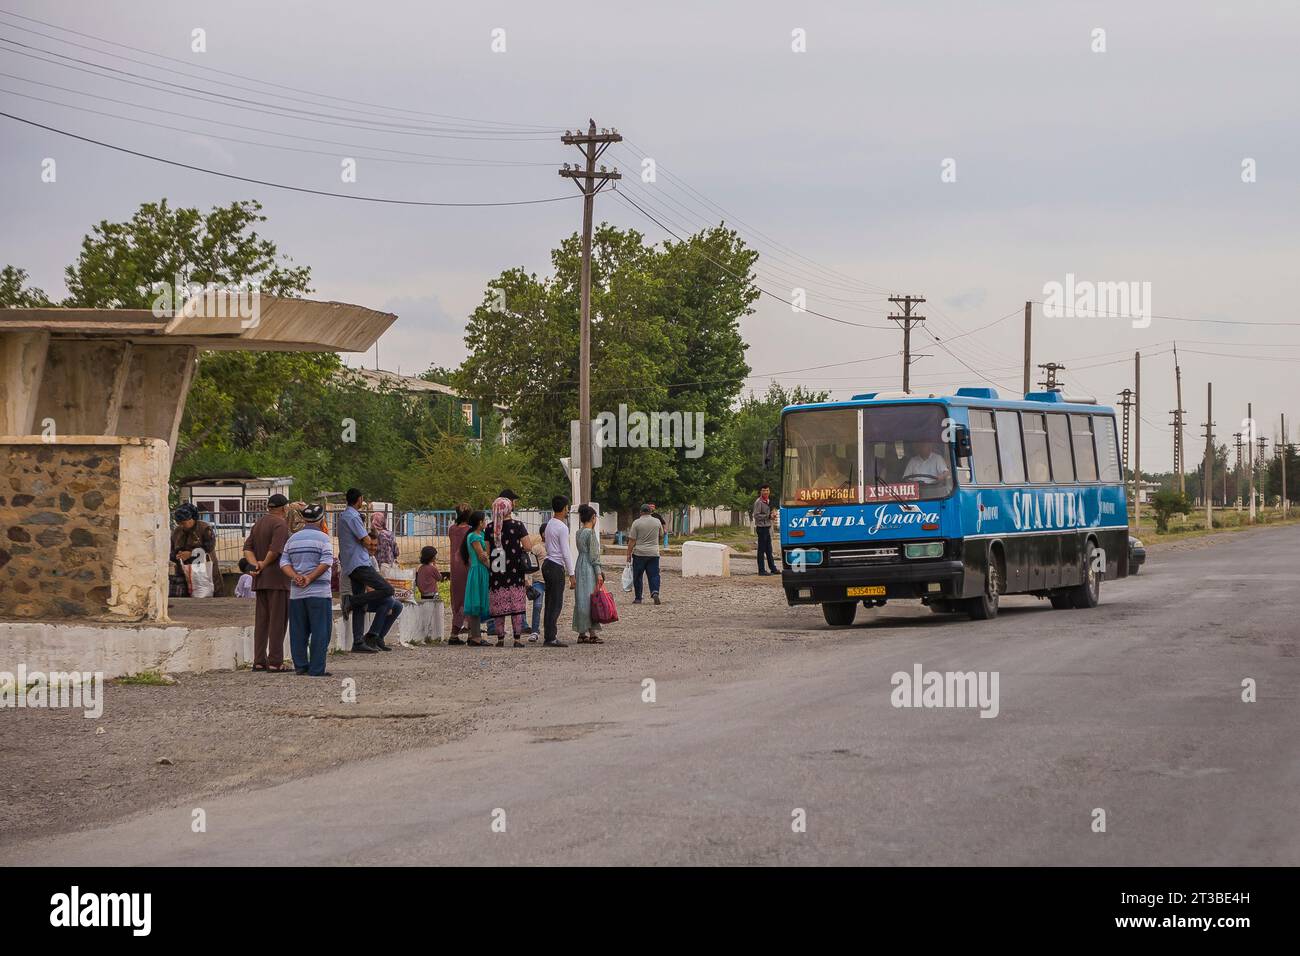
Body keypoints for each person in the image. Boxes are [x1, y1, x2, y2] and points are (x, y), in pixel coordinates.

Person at [279, 503, 335, 677]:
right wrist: (310, 578)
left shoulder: (292, 539)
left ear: (303, 519)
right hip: (319, 594)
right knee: (320, 631)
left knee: (298, 631)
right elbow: (326, 562)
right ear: (321, 519)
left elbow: (284, 563)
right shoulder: (324, 539)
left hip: (297, 594)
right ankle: (317, 669)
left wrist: (296, 576)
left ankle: (301, 666)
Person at [241, 493, 291, 671]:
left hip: (260, 579)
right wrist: (264, 563)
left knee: (262, 621)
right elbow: (276, 550)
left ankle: (259, 660)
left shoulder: (258, 523)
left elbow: (247, 548)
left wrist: (256, 565)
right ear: (284, 508)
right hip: (277, 579)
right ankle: (276, 661)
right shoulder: (281, 524)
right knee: (277, 621)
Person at [337, 488, 390, 653]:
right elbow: (366, 540)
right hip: (358, 562)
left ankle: (358, 641)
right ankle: (351, 601)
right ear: (359, 499)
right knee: (387, 589)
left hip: (352, 562)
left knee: (362, 601)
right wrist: (368, 541)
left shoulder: (345, 516)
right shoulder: (352, 516)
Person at [483, 495, 529, 647]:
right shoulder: (518, 525)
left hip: (498, 570)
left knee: (499, 604)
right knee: (516, 605)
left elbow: (488, 551)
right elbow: (527, 546)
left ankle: (500, 638)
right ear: (509, 508)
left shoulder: (489, 528)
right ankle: (516, 639)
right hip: (515, 570)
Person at [169, 503, 223, 597]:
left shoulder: (204, 528)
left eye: (184, 522)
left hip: (205, 572)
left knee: (210, 598)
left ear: (192, 518)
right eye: (179, 523)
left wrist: (191, 554)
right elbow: (172, 551)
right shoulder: (177, 532)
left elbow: (209, 547)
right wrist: (178, 555)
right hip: (185, 574)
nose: (182, 525)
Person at [541, 495, 574, 647]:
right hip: (556, 565)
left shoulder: (549, 524)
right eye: (567, 507)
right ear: (564, 508)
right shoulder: (562, 527)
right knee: (556, 603)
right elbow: (566, 552)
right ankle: (551, 637)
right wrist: (571, 573)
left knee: (549, 602)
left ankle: (548, 633)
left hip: (548, 563)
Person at [361, 532, 401, 650]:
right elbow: (368, 587)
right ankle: (371, 635)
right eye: (370, 545)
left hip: (372, 596)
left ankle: (379, 637)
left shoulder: (372, 559)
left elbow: (379, 580)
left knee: (397, 605)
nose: (373, 548)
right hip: (360, 597)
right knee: (388, 601)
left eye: (375, 545)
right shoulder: (361, 559)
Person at [572, 504, 605, 644]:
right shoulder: (590, 533)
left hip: (579, 564)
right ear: (593, 518)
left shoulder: (578, 533)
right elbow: (594, 555)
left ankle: (581, 632)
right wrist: (599, 572)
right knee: (591, 598)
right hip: (589, 567)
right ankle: (592, 633)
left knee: (581, 599)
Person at [461, 510, 493, 647]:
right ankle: (476, 637)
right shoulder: (474, 537)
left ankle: (475, 635)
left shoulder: (479, 535)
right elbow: (482, 555)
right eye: (484, 520)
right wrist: (492, 568)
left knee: (478, 603)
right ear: (480, 522)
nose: (485, 522)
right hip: (479, 570)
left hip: (479, 571)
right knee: (476, 603)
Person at [625, 503, 662, 605]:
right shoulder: (657, 522)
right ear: (650, 512)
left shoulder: (636, 523)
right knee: (654, 574)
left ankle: (638, 598)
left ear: (640, 512)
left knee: (638, 576)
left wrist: (628, 554)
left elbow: (632, 540)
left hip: (639, 554)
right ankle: (655, 592)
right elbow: (661, 535)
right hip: (654, 553)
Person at [447, 503, 472, 644]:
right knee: (468, 598)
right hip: (467, 566)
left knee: (457, 600)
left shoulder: (452, 529)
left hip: (454, 568)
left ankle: (454, 633)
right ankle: (470, 632)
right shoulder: (470, 530)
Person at [752, 484, 779, 576]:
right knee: (761, 550)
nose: (766, 492)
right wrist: (768, 516)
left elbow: (769, 513)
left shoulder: (767, 501)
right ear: (761, 492)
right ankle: (761, 570)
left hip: (767, 527)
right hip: (761, 528)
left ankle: (773, 568)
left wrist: (772, 514)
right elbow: (756, 515)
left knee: (769, 549)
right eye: (764, 490)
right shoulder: (759, 502)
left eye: (767, 490)